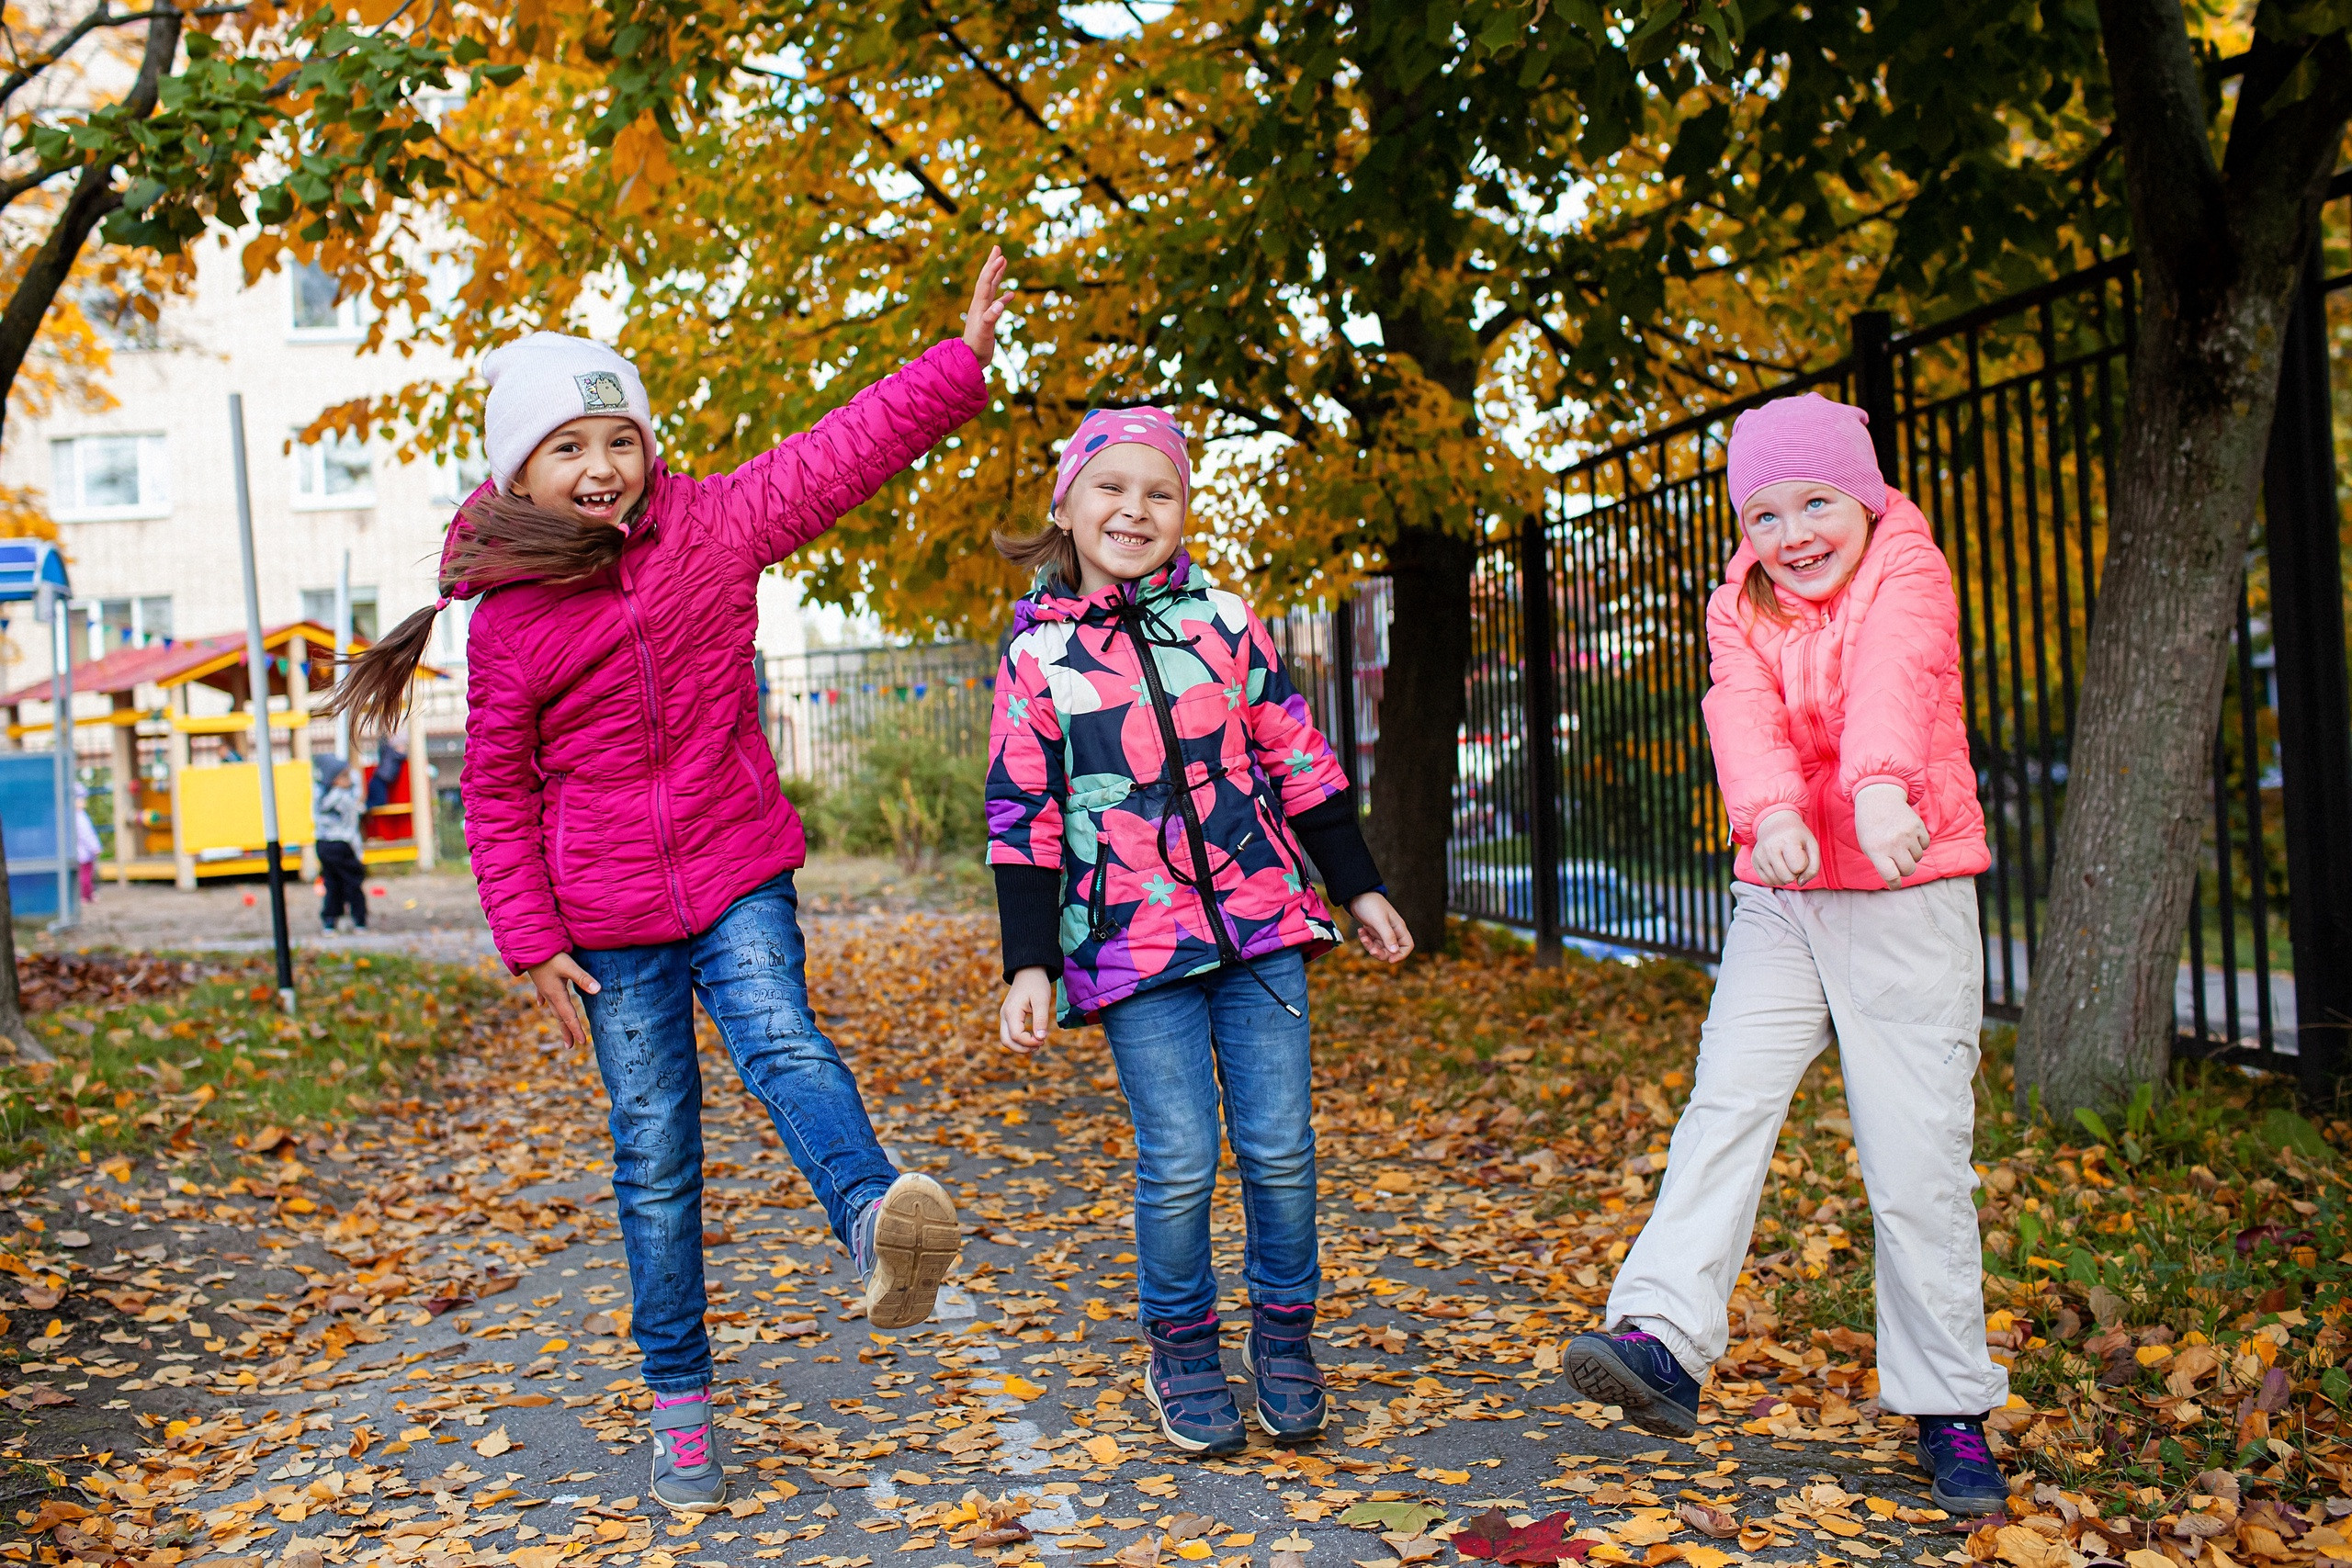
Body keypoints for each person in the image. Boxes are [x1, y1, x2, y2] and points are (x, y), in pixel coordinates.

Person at [322, 248, 1012, 1510]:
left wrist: (956, 364)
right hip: (609, 919)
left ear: (649, 444)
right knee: (654, 1151)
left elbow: (841, 451)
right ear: (518, 472)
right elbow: (499, 787)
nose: (602, 467)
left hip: (736, 860)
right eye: (569, 447)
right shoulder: (513, 617)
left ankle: (873, 1222)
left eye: (620, 439)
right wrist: (528, 940)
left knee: (783, 1041)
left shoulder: (715, 522)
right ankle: (681, 1403)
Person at [1559, 394, 2009, 1515]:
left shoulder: (1907, 567)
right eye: (1764, 513)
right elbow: (1742, 716)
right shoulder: (1739, 602)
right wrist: (1767, 818)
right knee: (1726, 1106)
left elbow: (1897, 679)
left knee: (1912, 1162)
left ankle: (1947, 1408)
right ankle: (1662, 1336)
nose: (1792, 533)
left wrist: (1870, 793)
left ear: (1860, 496)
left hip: (1904, 882)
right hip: (1783, 890)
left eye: (1815, 502)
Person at [987, 407, 1416, 1456]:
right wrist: (1029, 964)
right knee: (1178, 1157)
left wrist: (1355, 886)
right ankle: (1180, 1346)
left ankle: (1285, 1338)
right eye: (1111, 488)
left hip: (1262, 928)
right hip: (1134, 950)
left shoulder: (1224, 621)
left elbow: (1297, 757)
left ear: (1182, 513)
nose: (1134, 509)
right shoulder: (1037, 656)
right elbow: (1021, 816)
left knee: (1279, 1150)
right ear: (1067, 504)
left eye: (1159, 493)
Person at [312, 755, 367, 932]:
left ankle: (330, 921)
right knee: (352, 883)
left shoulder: (320, 795)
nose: (349, 779)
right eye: (345, 776)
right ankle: (359, 920)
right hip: (342, 844)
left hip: (323, 844)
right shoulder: (343, 798)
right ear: (334, 779)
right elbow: (358, 804)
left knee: (331, 883)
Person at [73, 785, 99, 903]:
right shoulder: (79, 817)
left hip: (83, 852)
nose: (83, 802)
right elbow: (86, 834)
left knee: (87, 874)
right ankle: (85, 895)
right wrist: (95, 847)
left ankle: (88, 894)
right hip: (84, 852)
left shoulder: (79, 815)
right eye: (80, 799)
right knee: (85, 876)